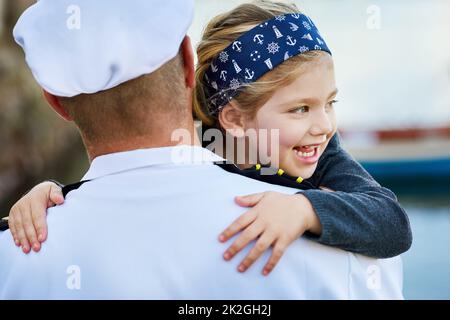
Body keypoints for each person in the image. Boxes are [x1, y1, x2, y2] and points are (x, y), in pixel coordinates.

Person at [0, 0, 404, 299]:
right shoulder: (351, 256)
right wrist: (53, 190)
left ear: (55, 102)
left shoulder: (14, 254)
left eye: (330, 103)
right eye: (300, 108)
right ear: (188, 63)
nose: (325, 127)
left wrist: (306, 208)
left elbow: (129, 175)